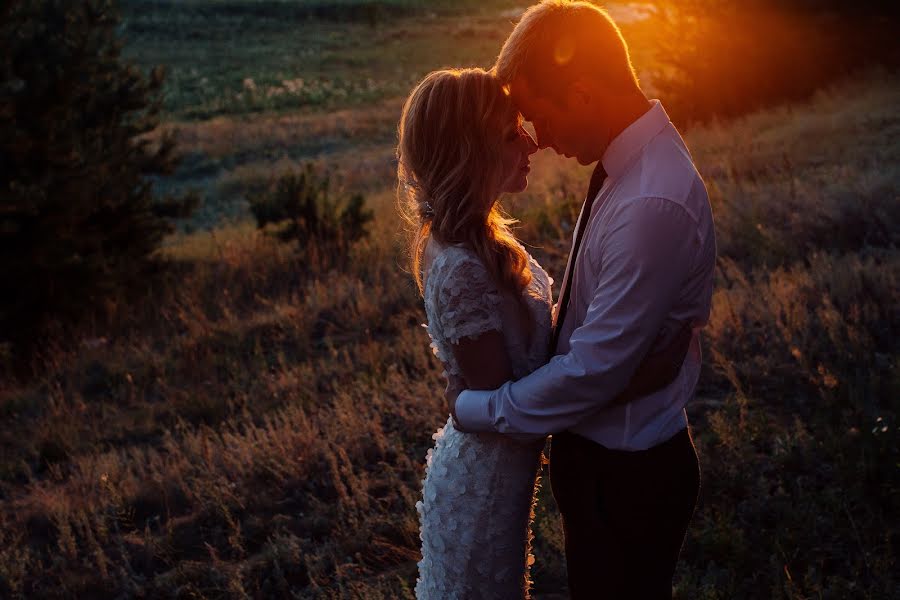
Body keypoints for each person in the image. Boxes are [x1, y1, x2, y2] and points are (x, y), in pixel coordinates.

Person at [447, 2, 718, 598]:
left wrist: (476, 409)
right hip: (603, 466)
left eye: (540, 117)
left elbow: (593, 372)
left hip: (626, 476)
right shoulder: (627, 171)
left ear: (582, 92)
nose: (538, 142)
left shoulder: (650, 201)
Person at [398, 66, 694, 598]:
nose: (532, 143)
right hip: (482, 487)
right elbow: (507, 406)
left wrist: (610, 364)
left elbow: (525, 371)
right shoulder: (460, 266)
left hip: (509, 478)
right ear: (469, 151)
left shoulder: (486, 237)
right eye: (512, 134)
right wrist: (629, 372)